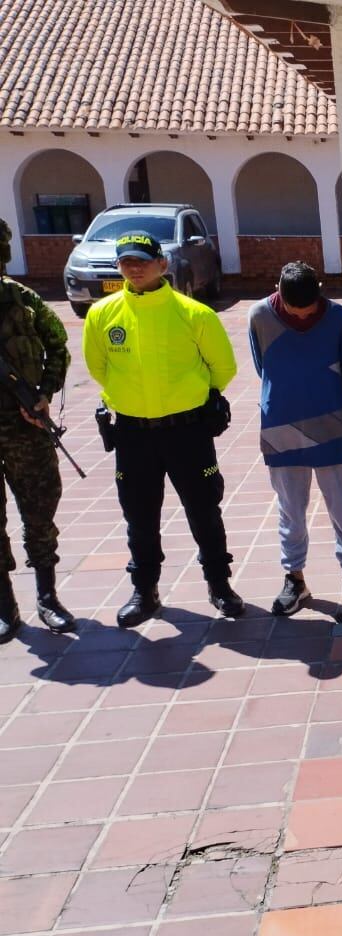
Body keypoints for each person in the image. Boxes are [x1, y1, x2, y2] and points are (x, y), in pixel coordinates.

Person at [83, 231, 241, 627]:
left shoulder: (194, 313)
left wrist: (188, 397)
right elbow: (97, 368)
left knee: (204, 510)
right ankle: (145, 591)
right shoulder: (102, 315)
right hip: (133, 435)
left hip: (187, 432)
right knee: (139, 516)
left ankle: (219, 585)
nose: (133, 268)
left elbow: (223, 368)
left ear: (162, 264)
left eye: (141, 260)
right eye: (125, 262)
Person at [249, 261, 342, 616]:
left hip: (333, 424)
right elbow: (263, 367)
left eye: (309, 307)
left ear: (320, 289)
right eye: (293, 309)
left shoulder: (335, 316)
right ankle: (295, 579)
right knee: (290, 511)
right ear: (278, 292)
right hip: (281, 427)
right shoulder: (258, 315)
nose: (303, 314)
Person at [0, 217, 75, 642]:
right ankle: (5, 606)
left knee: (40, 509)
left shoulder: (22, 300)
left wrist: (44, 393)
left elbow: (58, 348)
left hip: (26, 425)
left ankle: (47, 598)